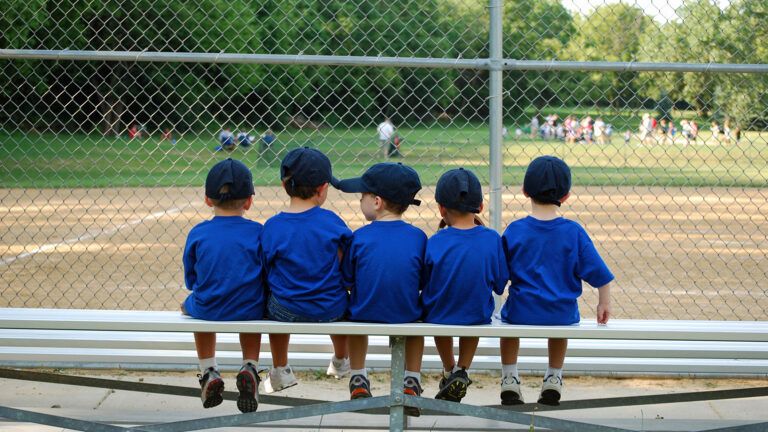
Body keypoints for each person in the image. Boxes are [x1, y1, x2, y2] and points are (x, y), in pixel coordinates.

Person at [498, 156, 614, 406]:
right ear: (566, 196)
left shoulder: (515, 230)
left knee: (505, 323)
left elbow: (499, 276)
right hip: (561, 314)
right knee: (561, 323)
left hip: (521, 312)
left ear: (525, 191)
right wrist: (604, 301)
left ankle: (509, 379)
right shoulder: (574, 232)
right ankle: (553, 378)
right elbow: (599, 273)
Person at [334, 162, 426, 415]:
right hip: (406, 314)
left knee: (355, 321)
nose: (359, 200)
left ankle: (358, 377)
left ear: (376, 202)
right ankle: (411, 380)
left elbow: (348, 281)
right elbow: (420, 281)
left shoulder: (359, 237)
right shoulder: (418, 237)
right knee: (417, 327)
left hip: (364, 313)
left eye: (362, 196)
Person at [260, 147, 352, 394]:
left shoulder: (273, 226)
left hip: (285, 309)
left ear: (283, 185)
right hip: (330, 308)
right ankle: (341, 360)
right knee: (344, 304)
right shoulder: (332, 221)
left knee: (271, 303)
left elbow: (267, 268)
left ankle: (280, 368)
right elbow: (346, 263)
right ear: (322, 189)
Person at [181, 158, 265, 413]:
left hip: (209, 307)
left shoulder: (198, 233)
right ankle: (249, 365)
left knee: (195, 303)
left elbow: (191, 279)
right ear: (249, 202)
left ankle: (208, 370)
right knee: (253, 305)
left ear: (208, 199)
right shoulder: (259, 232)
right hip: (251, 308)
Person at [421, 168, 508, 403]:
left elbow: (423, 282)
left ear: (441, 209)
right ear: (479, 207)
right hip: (476, 315)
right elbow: (500, 285)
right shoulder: (492, 239)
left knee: (438, 310)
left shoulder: (435, 241)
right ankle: (462, 369)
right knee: (475, 309)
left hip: (439, 315)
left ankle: (449, 370)